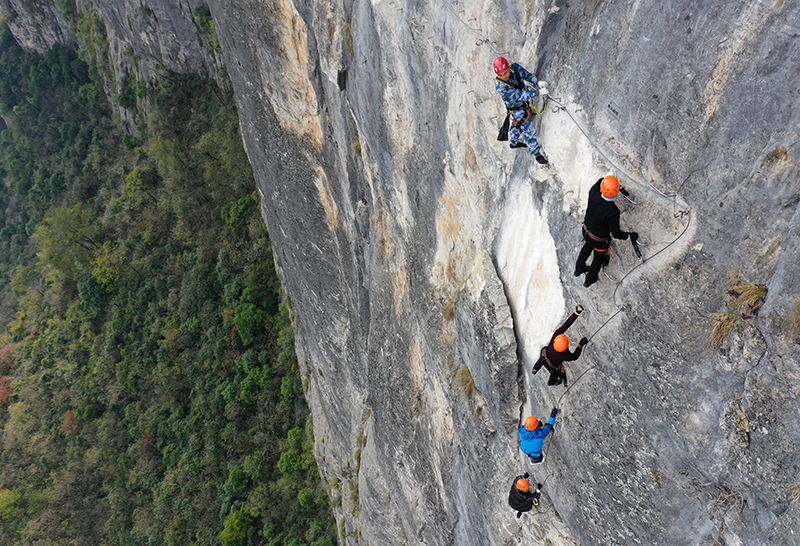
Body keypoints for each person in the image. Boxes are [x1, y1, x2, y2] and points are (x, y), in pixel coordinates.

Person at [574, 175, 638, 288]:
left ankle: (579, 269)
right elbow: (616, 234)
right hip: (599, 241)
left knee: (586, 248)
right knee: (598, 259)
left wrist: (611, 183)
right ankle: (589, 280)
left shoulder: (593, 193)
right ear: (616, 192)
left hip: (586, 230)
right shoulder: (613, 211)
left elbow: (600, 181)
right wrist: (630, 236)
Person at [493, 57, 549, 165]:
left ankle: (513, 143)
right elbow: (520, 96)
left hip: (524, 102)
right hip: (516, 107)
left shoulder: (515, 68)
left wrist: (537, 81)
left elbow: (526, 75)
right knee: (529, 129)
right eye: (501, 75)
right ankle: (537, 154)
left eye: (505, 72)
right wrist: (538, 92)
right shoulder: (501, 87)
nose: (504, 76)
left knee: (517, 124)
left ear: (509, 67)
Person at [532, 305, 588, 387]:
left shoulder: (556, 336)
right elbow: (575, 356)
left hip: (544, 356)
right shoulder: (563, 355)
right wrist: (580, 345)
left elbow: (566, 325)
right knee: (555, 373)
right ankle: (551, 382)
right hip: (552, 365)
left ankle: (535, 369)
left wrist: (576, 312)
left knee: (542, 360)